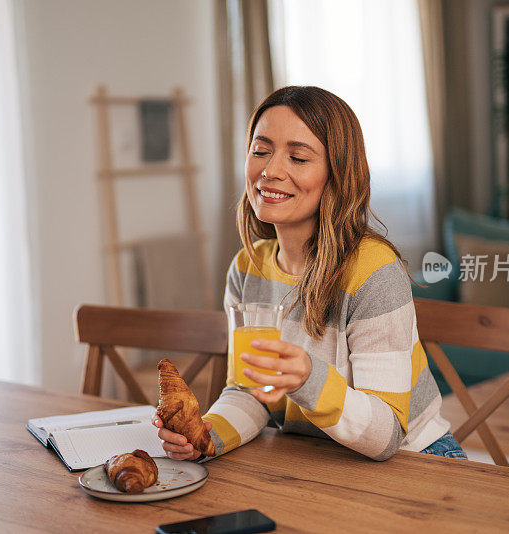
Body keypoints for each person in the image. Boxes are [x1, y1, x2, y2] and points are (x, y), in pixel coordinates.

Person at [152, 85, 465, 462]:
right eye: (260, 150)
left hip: (417, 461)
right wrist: (207, 437)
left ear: (337, 174)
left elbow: (386, 436)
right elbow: (251, 391)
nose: (270, 171)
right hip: (314, 459)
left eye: (298, 157)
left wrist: (305, 377)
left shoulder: (372, 271)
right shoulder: (247, 268)